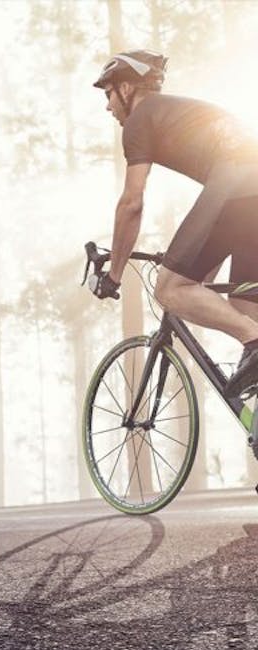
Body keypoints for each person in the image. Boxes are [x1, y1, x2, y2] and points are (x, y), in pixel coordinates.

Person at [93, 49, 258, 397]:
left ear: (126, 88)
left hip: (238, 187)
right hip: (248, 195)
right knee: (243, 305)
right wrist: (185, 264)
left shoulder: (140, 120)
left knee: (170, 290)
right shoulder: (176, 112)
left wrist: (114, 275)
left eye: (108, 94)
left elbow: (131, 203)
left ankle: (255, 342)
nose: (108, 107)